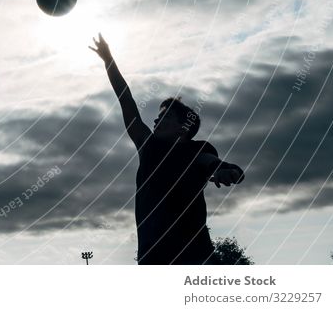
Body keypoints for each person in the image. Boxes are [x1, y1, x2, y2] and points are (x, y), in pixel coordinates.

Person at [89, 33, 244, 265]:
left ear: (184, 128)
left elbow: (207, 161)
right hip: (153, 257)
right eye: (157, 116)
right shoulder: (148, 146)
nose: (156, 121)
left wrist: (225, 169)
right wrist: (108, 60)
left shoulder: (196, 149)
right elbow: (126, 99)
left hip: (195, 257)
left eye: (165, 117)